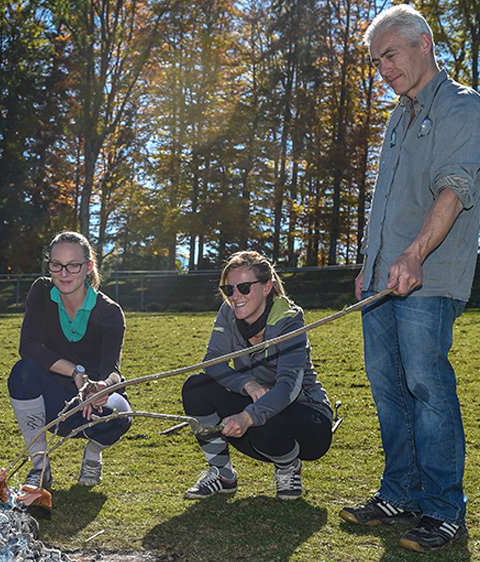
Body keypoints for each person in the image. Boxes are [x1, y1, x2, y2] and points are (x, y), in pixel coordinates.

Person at [340, 4, 480, 553]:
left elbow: (455, 188)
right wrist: (370, 263)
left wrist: (415, 254)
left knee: (428, 390)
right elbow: (387, 205)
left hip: (429, 279)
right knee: (388, 390)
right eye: (376, 62)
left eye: (390, 55)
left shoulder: (463, 107)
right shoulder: (398, 116)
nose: (384, 70)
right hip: (381, 282)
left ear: (424, 43)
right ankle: (400, 492)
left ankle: (445, 510)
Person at [181, 251, 333, 502]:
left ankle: (288, 466)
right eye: (229, 289)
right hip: (256, 408)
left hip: (306, 417)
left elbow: (288, 387)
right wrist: (246, 384)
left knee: (265, 418)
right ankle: (222, 473)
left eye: (243, 287)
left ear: (267, 287)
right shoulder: (228, 312)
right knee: (196, 387)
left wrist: (248, 415)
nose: (235, 296)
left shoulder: (290, 319)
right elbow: (212, 360)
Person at [8, 230, 132, 490]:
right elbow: (28, 347)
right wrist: (77, 374)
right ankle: (40, 467)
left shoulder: (110, 312)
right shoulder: (41, 291)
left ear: (88, 267)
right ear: (49, 265)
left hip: (93, 401)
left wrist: (99, 386)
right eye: (56, 265)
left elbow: (113, 371)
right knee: (23, 372)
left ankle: (93, 454)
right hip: (54, 400)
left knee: (118, 415)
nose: (64, 274)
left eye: (73, 265)